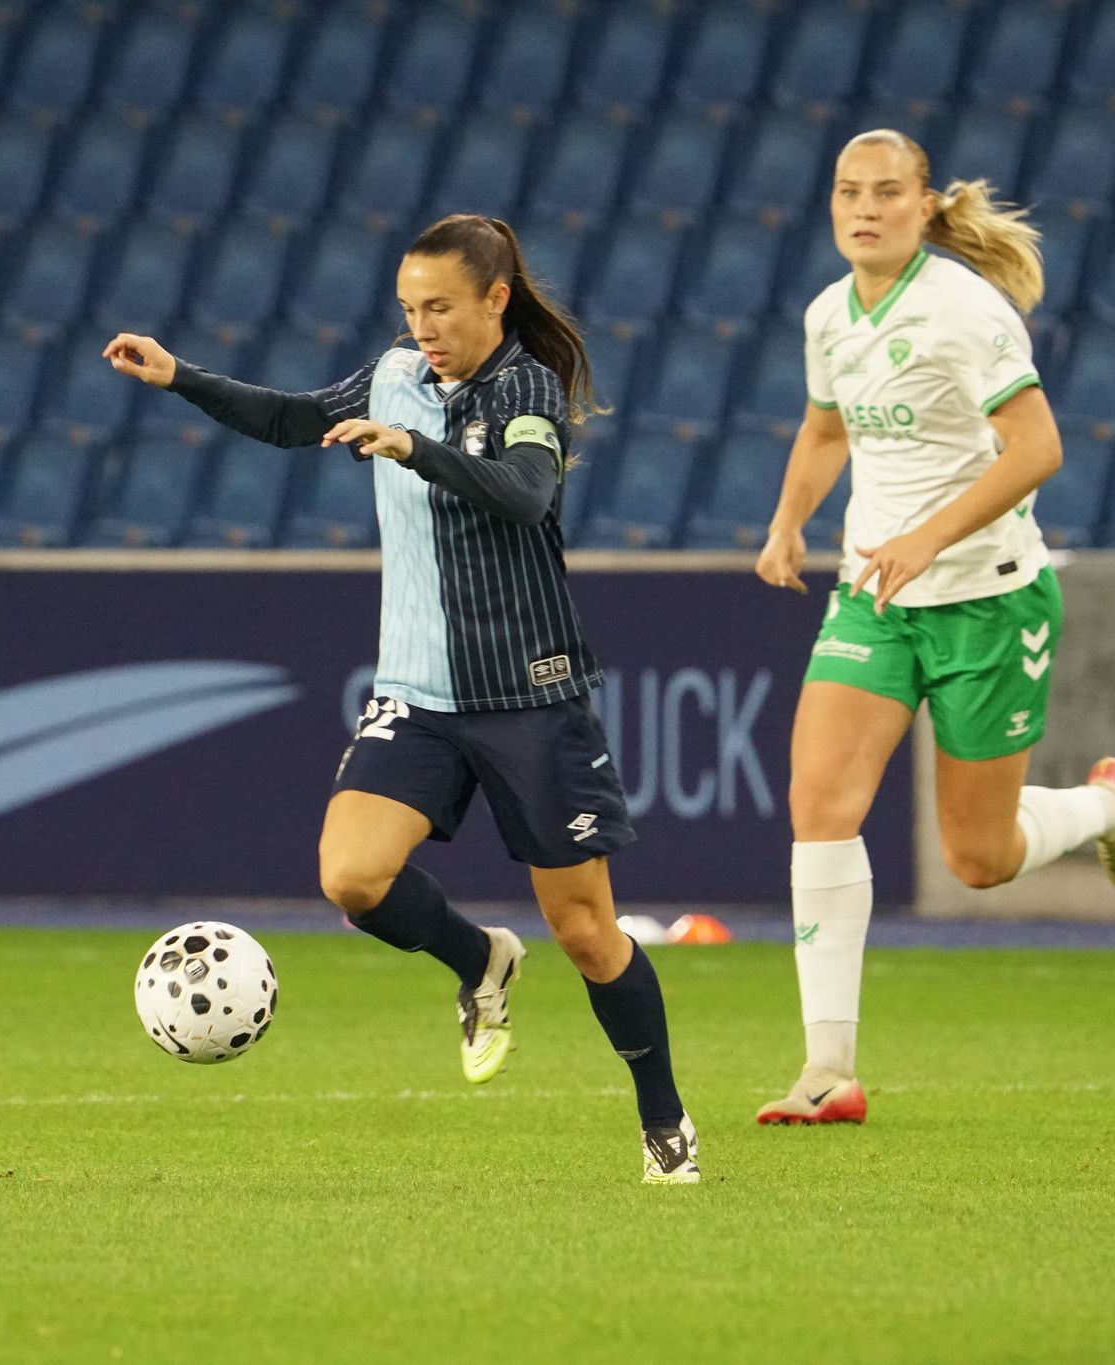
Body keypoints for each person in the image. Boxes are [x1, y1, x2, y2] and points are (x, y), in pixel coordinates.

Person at [104, 214, 700, 1184]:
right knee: (351, 876)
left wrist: (415, 449)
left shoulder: (524, 389)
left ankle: (664, 1122)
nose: (422, 327)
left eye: (440, 307)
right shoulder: (394, 376)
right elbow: (294, 418)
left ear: (495, 299)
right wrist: (183, 377)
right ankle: (478, 961)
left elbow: (525, 493)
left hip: (528, 695)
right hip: (418, 694)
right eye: (409, 308)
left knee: (588, 934)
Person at [751, 130, 1115, 1126]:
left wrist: (928, 537)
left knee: (979, 858)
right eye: (848, 191)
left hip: (989, 599)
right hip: (875, 599)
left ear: (925, 205)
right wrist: (788, 520)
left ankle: (1105, 808)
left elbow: (1037, 447)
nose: (864, 208)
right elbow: (825, 428)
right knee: (818, 804)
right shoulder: (827, 314)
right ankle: (826, 1071)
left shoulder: (964, 310)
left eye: (886, 192)